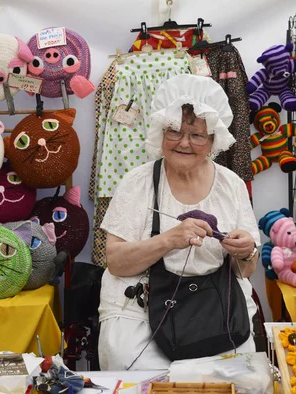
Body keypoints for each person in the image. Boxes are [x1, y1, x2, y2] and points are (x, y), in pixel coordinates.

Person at [98, 74, 261, 370]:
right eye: (174, 131)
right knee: (134, 368)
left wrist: (245, 251)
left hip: (215, 308)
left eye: (197, 135)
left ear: (212, 140)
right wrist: (169, 240)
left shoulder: (231, 185)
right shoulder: (137, 183)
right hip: (141, 311)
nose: (184, 143)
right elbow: (116, 263)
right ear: (161, 133)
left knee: (237, 373)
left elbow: (245, 270)